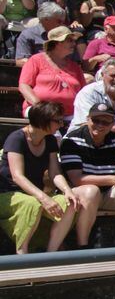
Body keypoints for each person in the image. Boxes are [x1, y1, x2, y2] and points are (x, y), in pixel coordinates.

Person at [61, 102, 115, 246]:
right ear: (88, 119)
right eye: (96, 120)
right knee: (91, 191)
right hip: (81, 193)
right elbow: (77, 179)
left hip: (109, 192)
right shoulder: (71, 141)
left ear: (112, 123)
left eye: (106, 121)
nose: (100, 125)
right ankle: (82, 245)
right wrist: (112, 179)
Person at [0, 102, 81, 253]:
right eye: (58, 121)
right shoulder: (17, 138)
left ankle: (51, 253)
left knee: (70, 203)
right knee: (32, 204)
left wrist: (67, 190)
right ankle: (22, 254)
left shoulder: (50, 140)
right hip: (8, 194)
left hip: (36, 194)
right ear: (43, 120)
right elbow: (17, 176)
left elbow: (55, 173)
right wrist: (44, 198)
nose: (61, 124)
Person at [18, 26, 86, 118]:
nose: (74, 43)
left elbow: (84, 91)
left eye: (74, 40)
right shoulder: (36, 60)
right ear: (58, 43)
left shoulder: (75, 67)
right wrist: (39, 105)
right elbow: (24, 86)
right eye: (70, 40)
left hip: (70, 114)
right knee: (50, 121)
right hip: (39, 111)